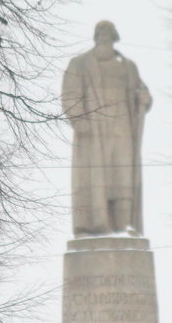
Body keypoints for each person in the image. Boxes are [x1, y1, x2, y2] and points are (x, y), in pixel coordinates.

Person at [61, 20, 152, 237]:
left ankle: (124, 225)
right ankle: (91, 226)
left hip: (122, 129)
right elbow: (70, 94)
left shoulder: (127, 67)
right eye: (100, 34)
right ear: (95, 38)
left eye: (108, 35)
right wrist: (79, 118)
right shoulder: (80, 64)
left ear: (114, 38)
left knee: (122, 177)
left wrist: (145, 98)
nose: (104, 38)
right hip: (93, 130)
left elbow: (142, 91)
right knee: (93, 181)